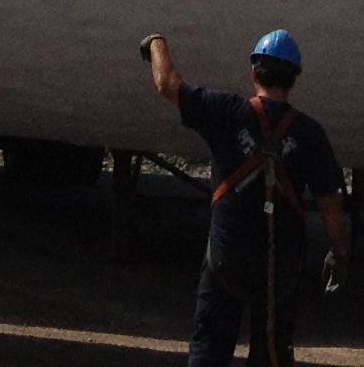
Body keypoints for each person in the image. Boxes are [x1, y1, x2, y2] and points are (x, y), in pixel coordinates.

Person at [141, 28, 349, 367]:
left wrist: (155, 43)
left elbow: (167, 84)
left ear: (254, 71)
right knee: (272, 354)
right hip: (280, 268)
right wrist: (339, 253)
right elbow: (330, 204)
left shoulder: (225, 112)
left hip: (228, 260)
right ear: (294, 78)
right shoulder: (310, 134)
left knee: (209, 351)